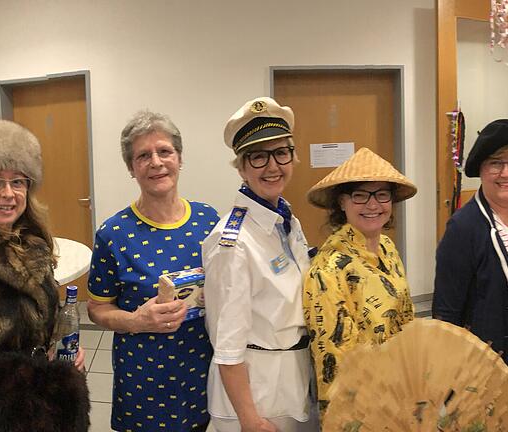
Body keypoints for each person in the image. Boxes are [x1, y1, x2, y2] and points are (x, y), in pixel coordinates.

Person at [87, 111, 219, 432]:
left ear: (179, 158)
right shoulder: (113, 233)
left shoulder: (209, 220)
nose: (156, 162)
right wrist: (135, 320)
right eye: (143, 156)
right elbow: (97, 309)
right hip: (143, 376)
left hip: (200, 368)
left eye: (164, 151)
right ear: (132, 169)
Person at [432, 119, 508, 431]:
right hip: (493, 368)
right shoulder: (464, 228)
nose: (506, 173)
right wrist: (451, 388)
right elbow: (445, 317)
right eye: (495, 164)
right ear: (481, 169)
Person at [0, 119, 89, 431]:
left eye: (18, 181)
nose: (8, 193)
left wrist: (59, 349)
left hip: (42, 406)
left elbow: (41, 317)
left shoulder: (32, 243)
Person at [203, 97, 318, 432]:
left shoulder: (285, 218)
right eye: (258, 156)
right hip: (256, 394)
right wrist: (249, 419)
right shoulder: (234, 242)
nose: (273, 166)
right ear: (240, 166)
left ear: (293, 156)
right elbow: (227, 346)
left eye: (281, 152)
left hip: (291, 378)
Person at [303, 147, 417, 420]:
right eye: (360, 195)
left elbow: (406, 318)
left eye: (382, 194)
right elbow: (336, 355)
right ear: (342, 202)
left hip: (401, 390)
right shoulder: (328, 268)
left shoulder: (388, 248)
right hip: (361, 405)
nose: (373, 205)